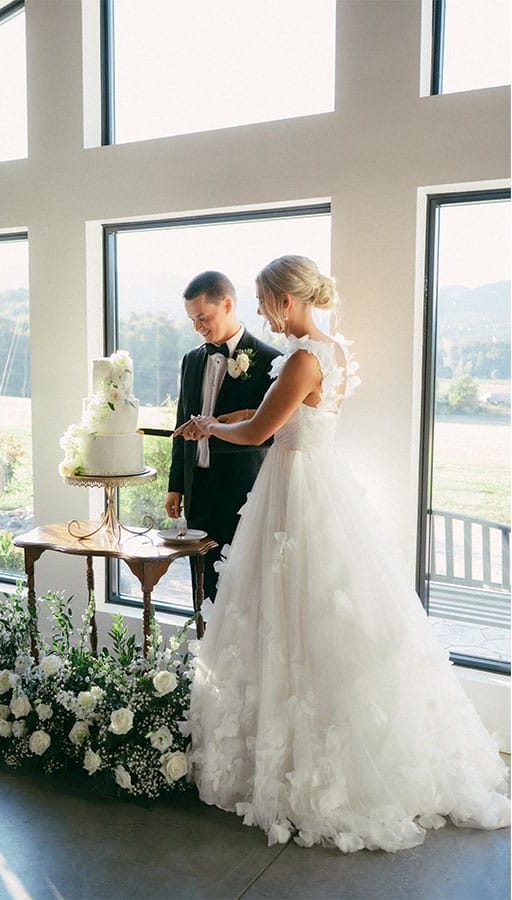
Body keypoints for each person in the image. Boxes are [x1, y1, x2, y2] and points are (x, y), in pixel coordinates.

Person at [179, 255, 510, 853]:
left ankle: (303, 767)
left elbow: (258, 434)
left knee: (290, 611)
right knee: (321, 613)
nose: (259, 312)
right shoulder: (331, 351)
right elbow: (287, 416)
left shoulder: (302, 357)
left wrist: (209, 427)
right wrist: (235, 416)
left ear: (285, 299)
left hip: (293, 486)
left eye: (262, 300)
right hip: (317, 476)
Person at [165, 270, 281, 603]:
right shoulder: (190, 360)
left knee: (243, 591)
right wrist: (176, 485)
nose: (197, 327)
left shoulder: (270, 361)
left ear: (227, 304)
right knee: (202, 590)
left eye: (203, 317)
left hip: (243, 493)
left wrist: (246, 417)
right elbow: (181, 425)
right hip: (197, 492)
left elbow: (274, 434)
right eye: (192, 319)